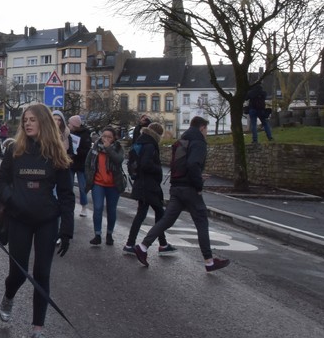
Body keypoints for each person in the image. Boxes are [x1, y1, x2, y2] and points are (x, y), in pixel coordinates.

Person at [0, 104, 74, 338]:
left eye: (32, 120)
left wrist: (67, 229)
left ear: (44, 122)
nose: (27, 124)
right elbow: (1, 181)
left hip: (46, 221)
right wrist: (11, 199)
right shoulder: (14, 150)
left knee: (42, 274)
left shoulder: (56, 153)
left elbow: (66, 194)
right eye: (25, 120)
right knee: (18, 273)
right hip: (19, 218)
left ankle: (37, 331)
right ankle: (9, 295)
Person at [133, 116, 230, 271]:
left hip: (176, 187)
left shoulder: (182, 140)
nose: (206, 133)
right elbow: (193, 164)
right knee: (201, 221)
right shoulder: (198, 142)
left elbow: (182, 164)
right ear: (202, 128)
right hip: (190, 188)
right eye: (206, 130)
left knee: (166, 220)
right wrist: (198, 184)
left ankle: (143, 247)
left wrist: (196, 176)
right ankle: (209, 261)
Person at [122, 122, 177, 256]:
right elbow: (146, 164)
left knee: (148, 214)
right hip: (149, 185)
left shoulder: (140, 142)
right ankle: (155, 244)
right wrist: (158, 168)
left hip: (142, 184)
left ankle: (158, 244)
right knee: (158, 215)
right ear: (158, 134)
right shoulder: (150, 144)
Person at [84, 126, 124, 246]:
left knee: (111, 210)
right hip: (98, 183)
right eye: (104, 136)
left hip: (113, 184)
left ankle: (109, 234)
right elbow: (87, 163)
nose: (106, 139)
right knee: (97, 208)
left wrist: (108, 149)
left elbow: (119, 160)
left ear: (113, 138)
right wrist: (88, 177)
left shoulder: (117, 148)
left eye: (109, 137)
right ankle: (97, 234)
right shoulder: (95, 148)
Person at [68, 115, 92, 217]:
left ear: (74, 124)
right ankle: (70, 206)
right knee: (68, 186)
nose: (68, 125)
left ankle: (84, 206)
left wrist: (76, 150)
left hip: (82, 165)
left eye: (70, 123)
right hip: (71, 163)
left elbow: (87, 151)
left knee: (83, 187)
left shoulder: (86, 134)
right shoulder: (69, 133)